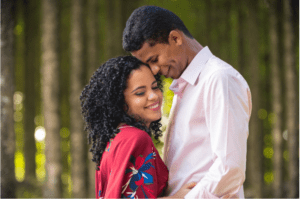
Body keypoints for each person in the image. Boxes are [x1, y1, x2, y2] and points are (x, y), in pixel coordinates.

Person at [123, 6, 252, 198]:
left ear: (175, 38)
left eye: (154, 59)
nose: (155, 70)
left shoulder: (219, 79)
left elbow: (229, 168)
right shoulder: (184, 87)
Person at [80, 56, 194, 198]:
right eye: (140, 93)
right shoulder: (136, 139)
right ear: (118, 102)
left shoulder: (116, 139)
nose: (153, 96)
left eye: (154, 87)